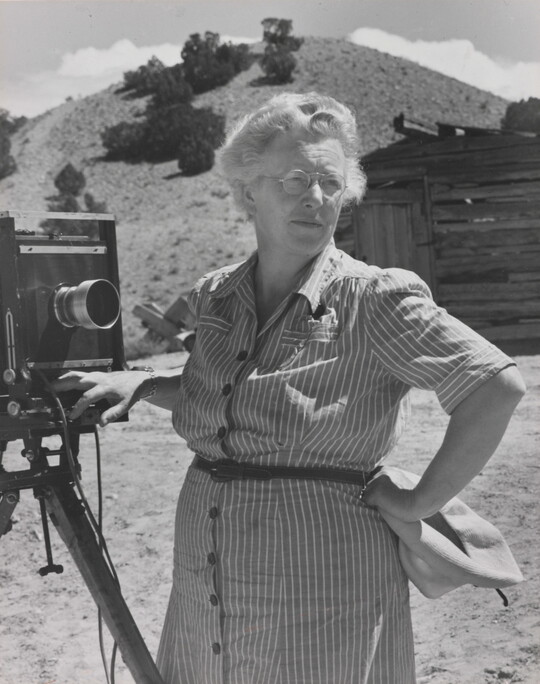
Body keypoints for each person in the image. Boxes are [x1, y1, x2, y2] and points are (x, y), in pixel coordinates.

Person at [53, 92, 526, 684]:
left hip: (321, 593)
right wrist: (146, 382)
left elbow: (495, 386)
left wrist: (418, 502)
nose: (316, 197)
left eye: (330, 182)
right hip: (208, 584)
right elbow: (230, 396)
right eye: (296, 180)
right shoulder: (218, 295)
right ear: (248, 190)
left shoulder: (372, 298)